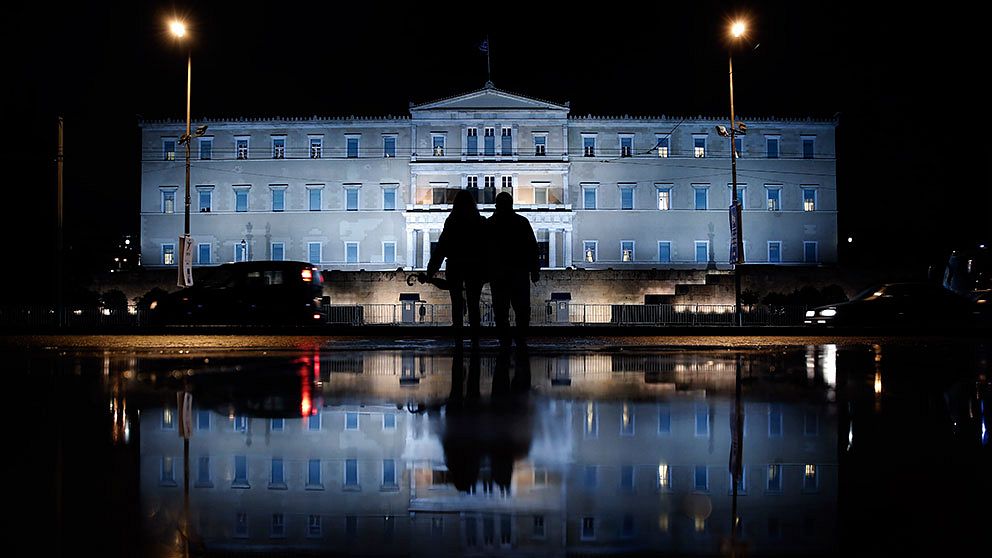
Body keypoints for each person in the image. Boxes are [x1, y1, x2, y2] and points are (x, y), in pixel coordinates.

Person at [426, 189, 486, 339]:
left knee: (457, 303)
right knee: (473, 303)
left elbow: (441, 247)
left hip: (455, 265)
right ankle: (475, 337)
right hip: (475, 266)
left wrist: (431, 270)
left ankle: (458, 335)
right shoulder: (478, 221)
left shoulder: (452, 221)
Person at [486, 192, 539, 348]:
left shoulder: (491, 224)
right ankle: (520, 338)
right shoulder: (522, 222)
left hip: (499, 273)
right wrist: (534, 269)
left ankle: (505, 340)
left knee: (501, 310)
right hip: (519, 272)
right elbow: (533, 248)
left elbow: (485, 251)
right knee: (522, 309)